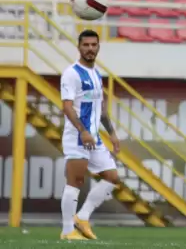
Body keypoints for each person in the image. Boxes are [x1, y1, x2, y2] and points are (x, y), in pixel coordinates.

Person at [59, 30, 121, 241]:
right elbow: (67, 107)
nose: (90, 49)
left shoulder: (96, 74)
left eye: (94, 45)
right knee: (75, 181)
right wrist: (83, 131)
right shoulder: (72, 73)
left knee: (112, 177)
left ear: (98, 47)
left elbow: (101, 108)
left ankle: (82, 217)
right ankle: (67, 230)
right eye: (86, 45)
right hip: (77, 136)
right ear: (79, 47)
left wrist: (111, 133)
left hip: (94, 137)